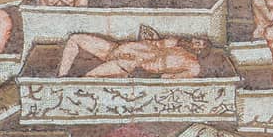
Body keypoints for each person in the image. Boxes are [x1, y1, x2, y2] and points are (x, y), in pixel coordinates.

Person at [57, 28, 210, 79]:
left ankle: (67, 85)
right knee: (75, 39)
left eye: (199, 45)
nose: (194, 41)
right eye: (197, 40)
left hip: (127, 65)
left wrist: (144, 66)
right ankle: (61, 77)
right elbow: (150, 43)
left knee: (87, 79)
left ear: (199, 52)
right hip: (115, 49)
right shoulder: (175, 42)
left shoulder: (193, 67)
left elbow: (166, 78)